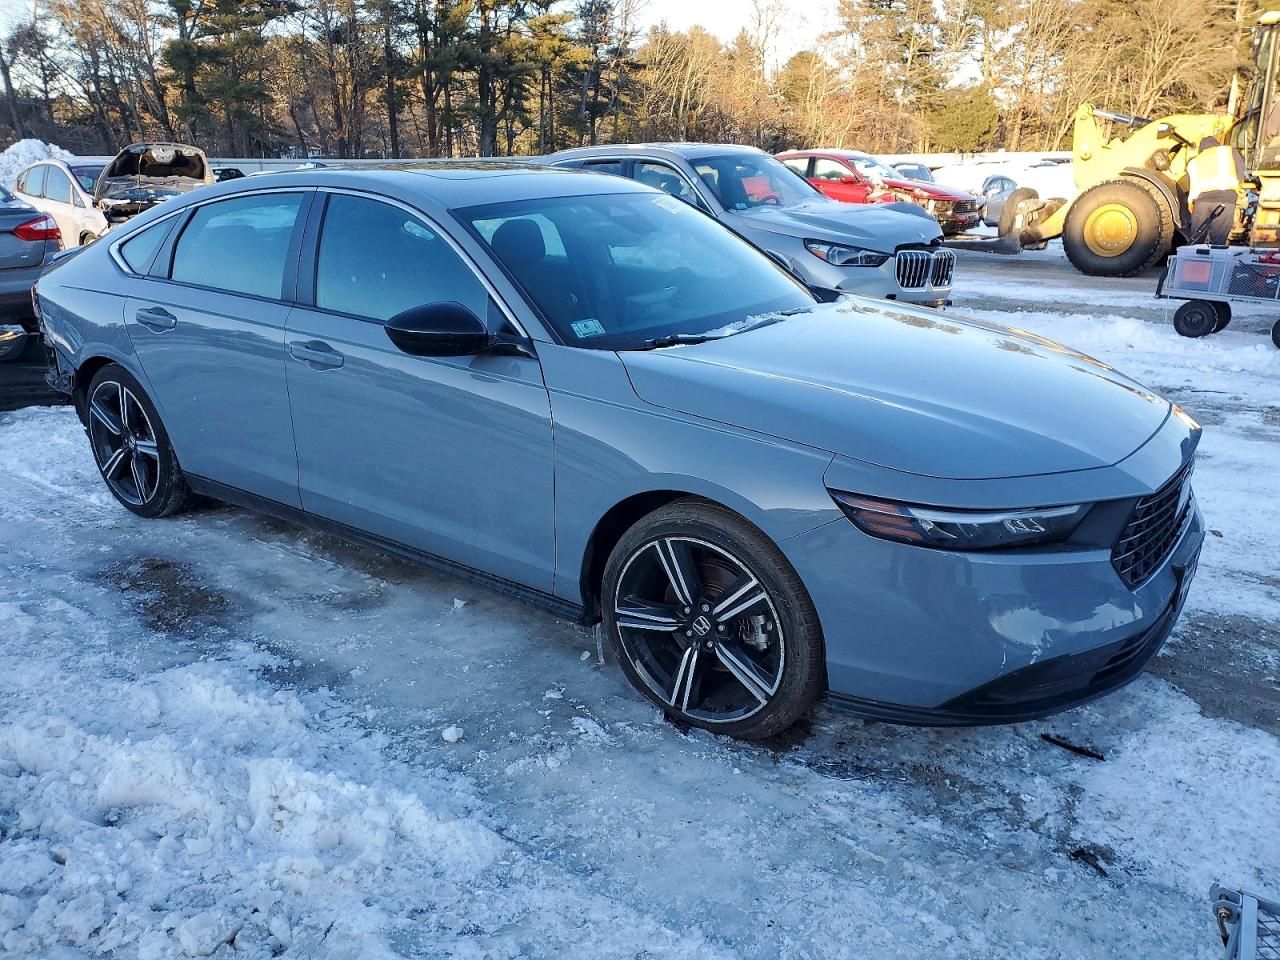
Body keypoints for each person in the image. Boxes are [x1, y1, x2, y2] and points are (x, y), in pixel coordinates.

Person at [1187, 136, 1245, 245]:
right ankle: (1214, 260)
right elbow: (1241, 174)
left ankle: (1194, 260)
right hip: (1225, 201)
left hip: (1201, 203)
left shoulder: (1194, 161)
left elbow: (1192, 186)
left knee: (1196, 241)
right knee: (1218, 242)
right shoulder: (1229, 152)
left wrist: (1191, 206)